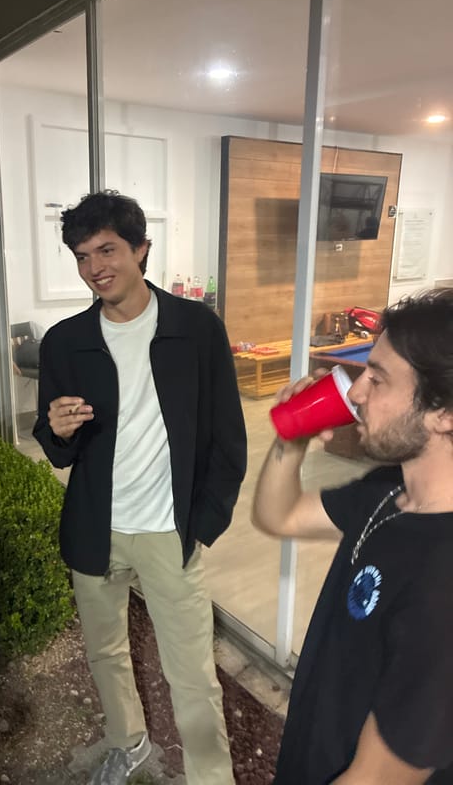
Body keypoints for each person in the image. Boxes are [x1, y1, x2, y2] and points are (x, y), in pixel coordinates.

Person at [33, 190, 247, 784]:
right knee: (105, 652)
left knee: (191, 671)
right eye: (82, 255)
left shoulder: (195, 329)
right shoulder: (65, 341)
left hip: (167, 531)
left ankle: (211, 777)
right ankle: (127, 743)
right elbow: (56, 450)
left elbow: (229, 441)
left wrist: (204, 523)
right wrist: (55, 429)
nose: (95, 267)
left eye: (107, 249)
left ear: (141, 249)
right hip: (94, 529)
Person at [252, 288, 453, 784]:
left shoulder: (442, 584)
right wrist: (291, 441)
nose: (356, 393)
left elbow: (378, 778)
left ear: (444, 412)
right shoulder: (390, 491)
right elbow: (280, 517)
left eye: (378, 379)